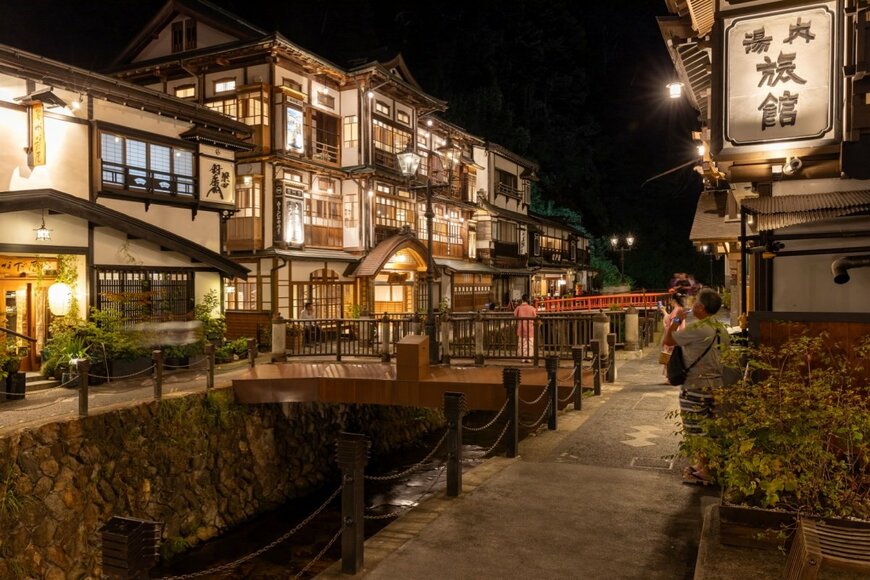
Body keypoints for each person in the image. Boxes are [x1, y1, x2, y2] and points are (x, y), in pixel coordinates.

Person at [663, 287, 728, 486]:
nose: (693, 305)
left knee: (696, 429)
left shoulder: (698, 329)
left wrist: (675, 320)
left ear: (701, 307)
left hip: (696, 385)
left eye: (696, 302)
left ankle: (705, 471)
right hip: (717, 384)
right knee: (710, 428)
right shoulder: (721, 329)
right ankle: (706, 467)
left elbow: (667, 340)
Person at [659, 292, 686, 381]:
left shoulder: (676, 311)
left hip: (674, 336)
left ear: (674, 300)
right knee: (673, 357)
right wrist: (664, 311)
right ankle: (671, 376)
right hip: (678, 335)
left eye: (671, 300)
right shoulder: (679, 310)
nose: (670, 301)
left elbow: (674, 324)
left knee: (671, 357)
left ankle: (671, 376)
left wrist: (671, 335)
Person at [513, 294, 537, 363]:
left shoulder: (518, 308)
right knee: (530, 343)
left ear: (522, 300)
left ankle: (523, 357)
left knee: (522, 343)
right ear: (528, 300)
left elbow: (515, 315)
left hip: (521, 328)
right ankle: (529, 358)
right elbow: (535, 316)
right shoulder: (532, 308)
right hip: (530, 328)